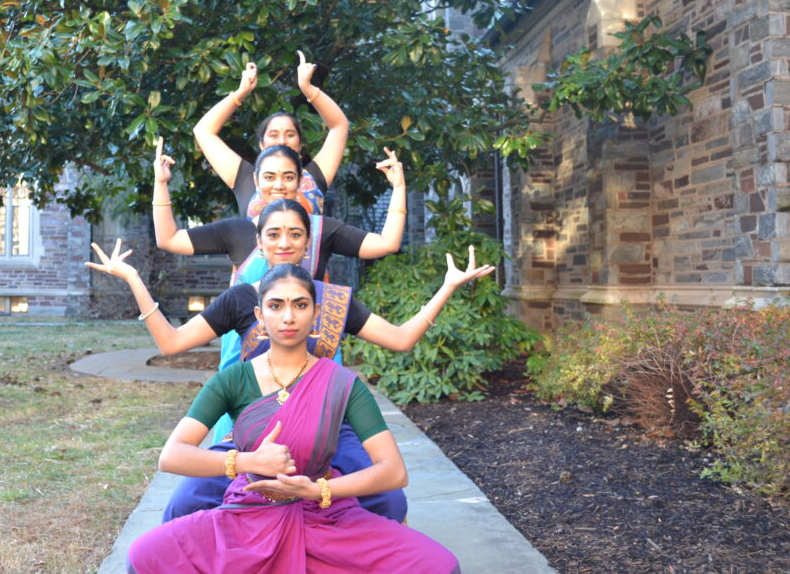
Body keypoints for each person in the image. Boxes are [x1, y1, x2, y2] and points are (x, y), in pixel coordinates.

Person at [87, 199, 496, 523]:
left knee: (389, 501)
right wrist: (135, 281)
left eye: (295, 234)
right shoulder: (241, 298)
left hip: (329, 429)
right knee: (184, 505)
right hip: (253, 434)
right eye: (274, 234)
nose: (284, 242)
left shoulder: (331, 300)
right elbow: (172, 342)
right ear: (259, 241)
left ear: (307, 242)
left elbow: (401, 339)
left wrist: (446, 288)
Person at [123, 264, 462, 573]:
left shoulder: (342, 383)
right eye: (276, 306)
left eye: (300, 305)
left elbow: (394, 471)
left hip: (325, 517)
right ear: (259, 315)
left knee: (439, 565)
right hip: (247, 514)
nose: (288, 317)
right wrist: (247, 461)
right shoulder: (233, 380)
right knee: (145, 555)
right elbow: (172, 455)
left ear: (316, 313)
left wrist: (318, 489)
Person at [152, 138, 406, 283]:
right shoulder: (236, 231)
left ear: (300, 181)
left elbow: (387, 244)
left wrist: (398, 187)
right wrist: (161, 183)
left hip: (311, 352)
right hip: (249, 355)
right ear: (256, 181)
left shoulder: (321, 230)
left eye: (288, 177)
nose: (279, 185)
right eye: (270, 177)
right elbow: (169, 239)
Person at [193, 51, 348, 216]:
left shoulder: (314, 175)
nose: (282, 140)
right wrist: (241, 92)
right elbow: (203, 130)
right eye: (273, 135)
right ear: (261, 145)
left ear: (300, 144)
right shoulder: (245, 178)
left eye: (290, 135)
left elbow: (340, 126)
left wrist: (307, 88)